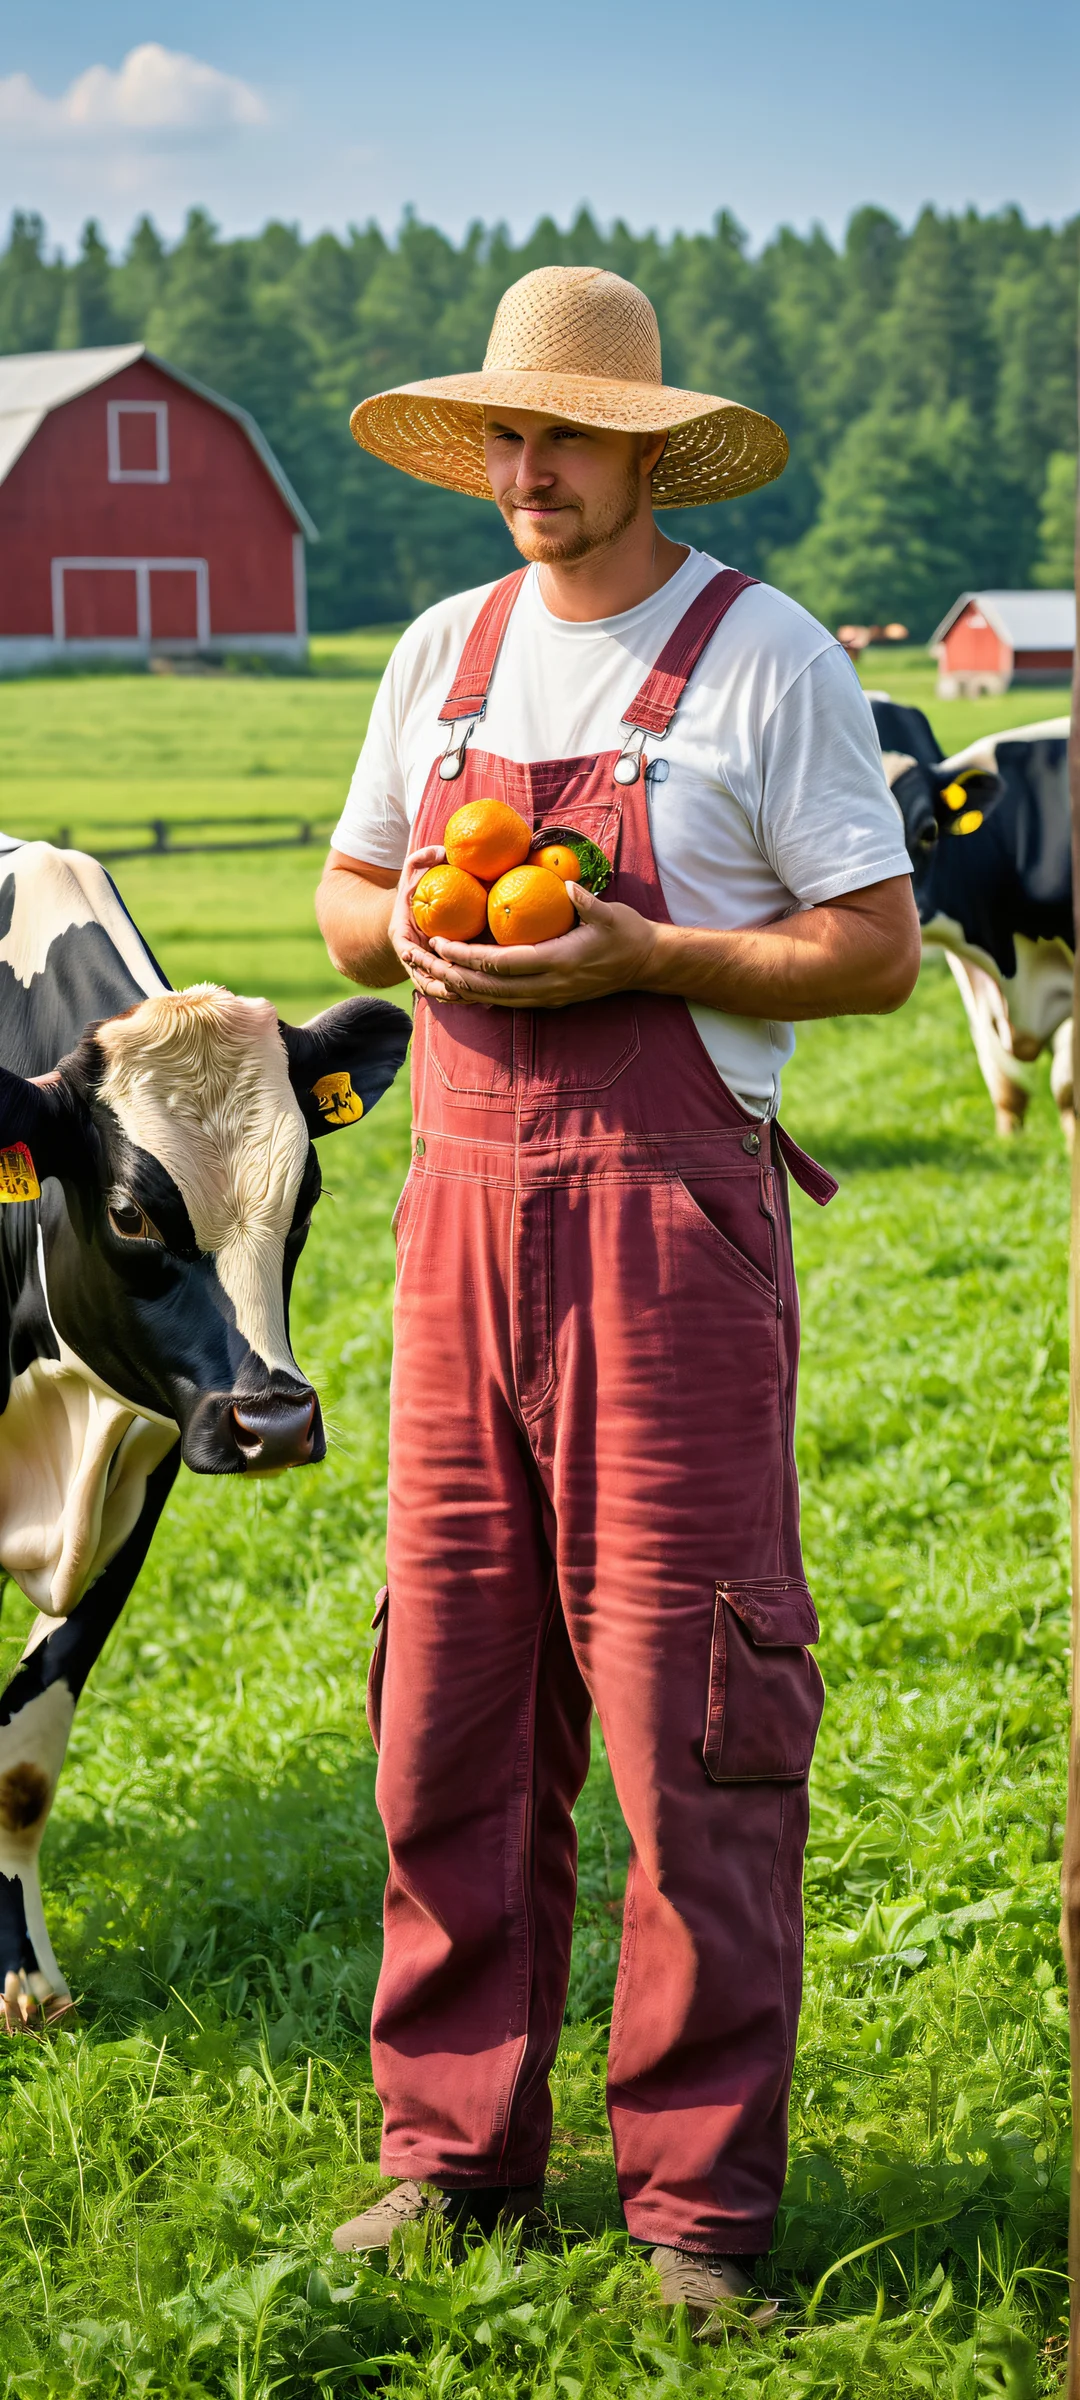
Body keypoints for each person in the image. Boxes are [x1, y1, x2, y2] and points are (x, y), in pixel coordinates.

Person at [317, 265, 920, 2335]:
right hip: (457, 1224)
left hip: (670, 1232)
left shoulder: (762, 661)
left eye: (562, 435)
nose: (524, 469)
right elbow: (348, 884)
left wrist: (646, 956)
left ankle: (693, 2209)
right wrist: (407, 924)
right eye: (502, 433)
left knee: (696, 1712)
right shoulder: (440, 652)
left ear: (649, 447)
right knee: (450, 1702)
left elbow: (873, 950)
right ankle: (451, 2157)